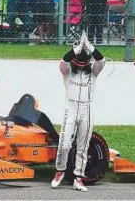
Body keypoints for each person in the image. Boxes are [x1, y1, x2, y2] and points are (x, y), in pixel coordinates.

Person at [51, 31, 106, 191]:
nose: (82, 59)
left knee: (83, 146)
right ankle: (59, 171)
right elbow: (63, 61)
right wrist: (76, 50)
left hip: (87, 108)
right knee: (65, 143)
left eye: (84, 55)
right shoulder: (67, 71)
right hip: (71, 107)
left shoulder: (94, 72)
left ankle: (78, 178)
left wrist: (90, 47)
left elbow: (101, 61)